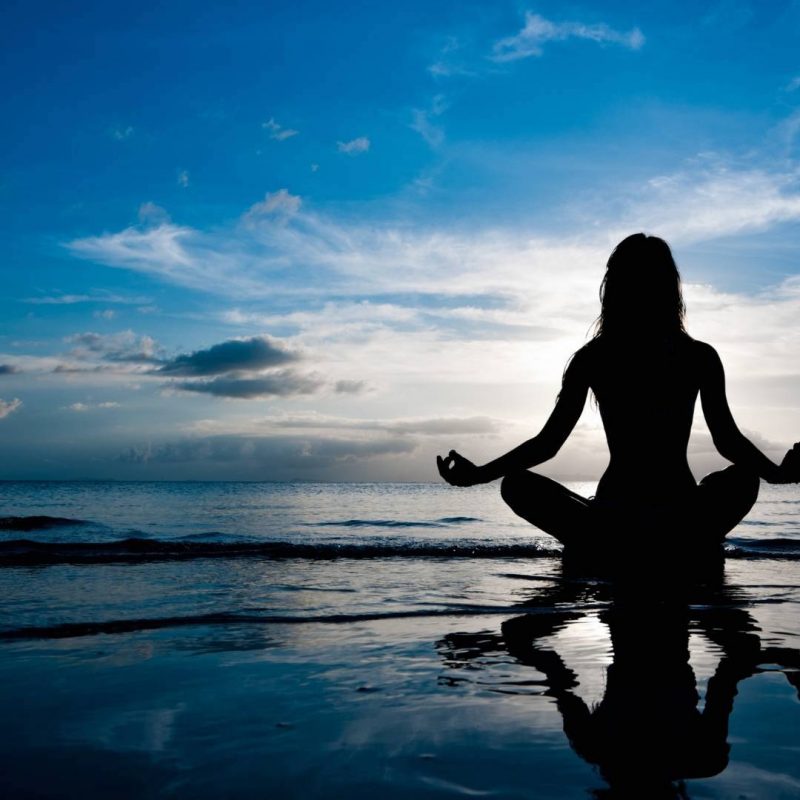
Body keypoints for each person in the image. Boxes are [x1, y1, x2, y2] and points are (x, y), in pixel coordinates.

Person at [436, 233, 800, 551]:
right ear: (670, 288)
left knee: (516, 485)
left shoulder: (594, 357)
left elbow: (548, 444)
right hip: (680, 514)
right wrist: (776, 474)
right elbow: (728, 441)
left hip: (613, 516)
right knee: (743, 478)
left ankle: (609, 542)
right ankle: (679, 541)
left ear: (613, 289)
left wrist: (481, 474)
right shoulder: (697, 356)